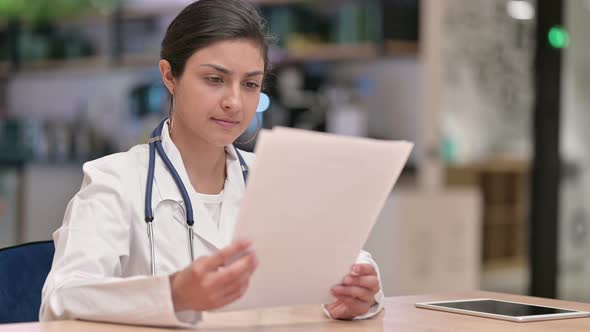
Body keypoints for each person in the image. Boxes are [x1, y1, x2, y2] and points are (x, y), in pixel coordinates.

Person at [40, 0, 384, 327]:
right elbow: (60, 301)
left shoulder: (275, 177)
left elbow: (346, 258)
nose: (234, 102)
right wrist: (173, 296)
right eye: (215, 79)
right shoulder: (114, 180)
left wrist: (358, 293)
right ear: (169, 76)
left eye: (250, 84)